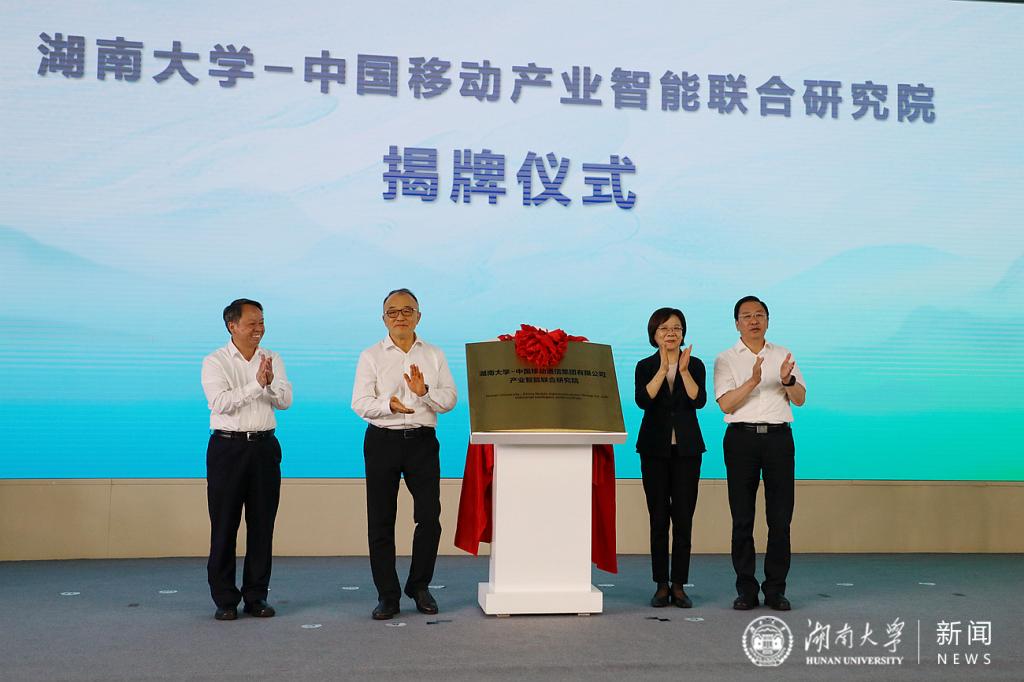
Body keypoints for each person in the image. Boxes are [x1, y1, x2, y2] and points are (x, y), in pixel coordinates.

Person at [352, 288, 457, 620]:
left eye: (407, 311)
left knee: (429, 517)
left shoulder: (434, 354)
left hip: (422, 442)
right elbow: (359, 403)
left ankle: (419, 586)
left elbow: (450, 399)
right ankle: (388, 595)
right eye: (393, 312)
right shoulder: (371, 355)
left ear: (418, 316)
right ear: (384, 318)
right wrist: (389, 405)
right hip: (382, 440)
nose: (400, 317)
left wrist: (423, 392)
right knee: (381, 520)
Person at [200, 298, 292, 621]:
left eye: (262, 322)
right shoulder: (215, 361)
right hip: (228, 449)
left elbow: (285, 400)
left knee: (262, 525)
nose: (259, 329)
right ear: (232, 326)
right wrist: (257, 385)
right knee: (224, 524)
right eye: (252, 323)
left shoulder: (272, 358)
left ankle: (256, 596)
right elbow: (220, 403)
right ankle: (225, 599)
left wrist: (268, 384)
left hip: (265, 448)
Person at [713, 295, 806, 611]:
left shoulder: (783, 354)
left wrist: (787, 380)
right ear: (737, 323)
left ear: (767, 320)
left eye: (759, 315)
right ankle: (746, 589)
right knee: (742, 518)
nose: (754, 320)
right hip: (741, 440)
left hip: (779, 440)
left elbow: (800, 398)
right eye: (747, 316)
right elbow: (726, 404)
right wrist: (753, 381)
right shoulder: (726, 358)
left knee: (780, 519)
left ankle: (776, 589)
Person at [634, 307, 707, 608]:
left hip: (687, 451)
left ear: (683, 333)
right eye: (664, 329)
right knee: (659, 518)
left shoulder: (695, 364)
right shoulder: (645, 365)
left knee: (684, 518)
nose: (671, 333)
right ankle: (661, 585)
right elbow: (643, 400)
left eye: (676, 328)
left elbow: (699, 400)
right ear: (654, 334)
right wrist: (663, 370)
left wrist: (684, 371)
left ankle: (679, 585)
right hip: (654, 449)